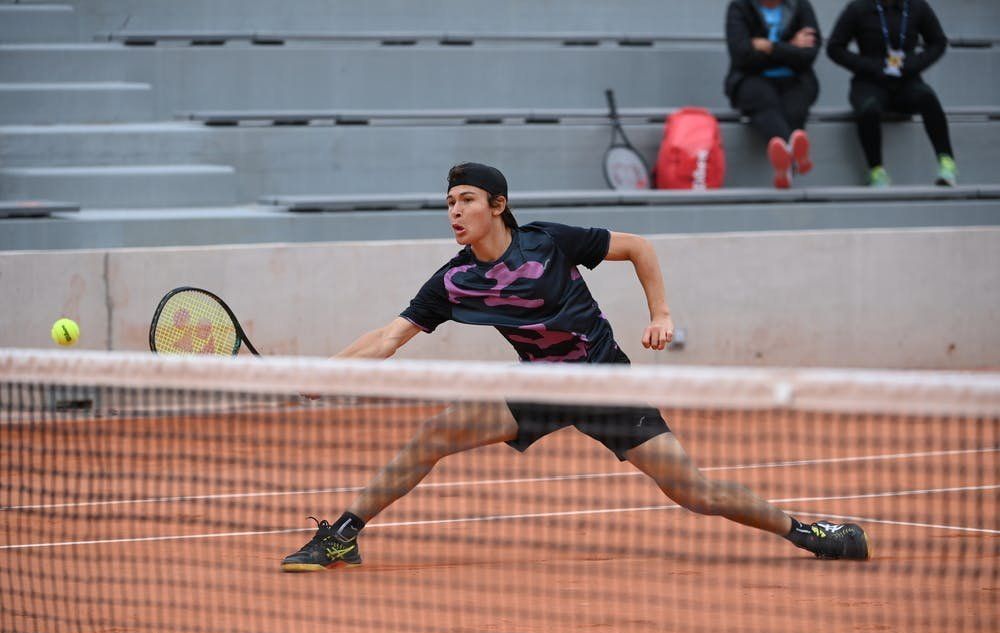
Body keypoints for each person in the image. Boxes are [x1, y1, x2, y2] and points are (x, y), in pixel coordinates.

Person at [280, 162, 871, 572]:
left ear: (498, 206)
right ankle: (343, 536)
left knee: (693, 490)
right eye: (449, 203)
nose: (454, 211)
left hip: (603, 382)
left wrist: (661, 313)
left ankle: (809, 533)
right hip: (541, 384)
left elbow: (637, 247)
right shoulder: (455, 281)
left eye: (466, 200)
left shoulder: (549, 243)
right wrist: (326, 371)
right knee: (432, 434)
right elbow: (388, 336)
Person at [827, 0, 957, 187]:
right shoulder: (858, 8)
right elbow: (834, 47)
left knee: (927, 97)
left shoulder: (917, 6)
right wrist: (870, 65)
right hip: (869, 81)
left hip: (907, 80)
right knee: (868, 108)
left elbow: (938, 42)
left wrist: (915, 62)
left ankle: (946, 162)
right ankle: (876, 170)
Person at [725, 0, 822, 189]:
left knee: (795, 105)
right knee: (762, 98)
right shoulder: (739, 7)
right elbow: (742, 55)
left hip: (796, 79)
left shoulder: (801, 6)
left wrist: (770, 47)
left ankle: (785, 165)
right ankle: (794, 159)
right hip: (750, 78)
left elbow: (808, 55)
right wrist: (790, 48)